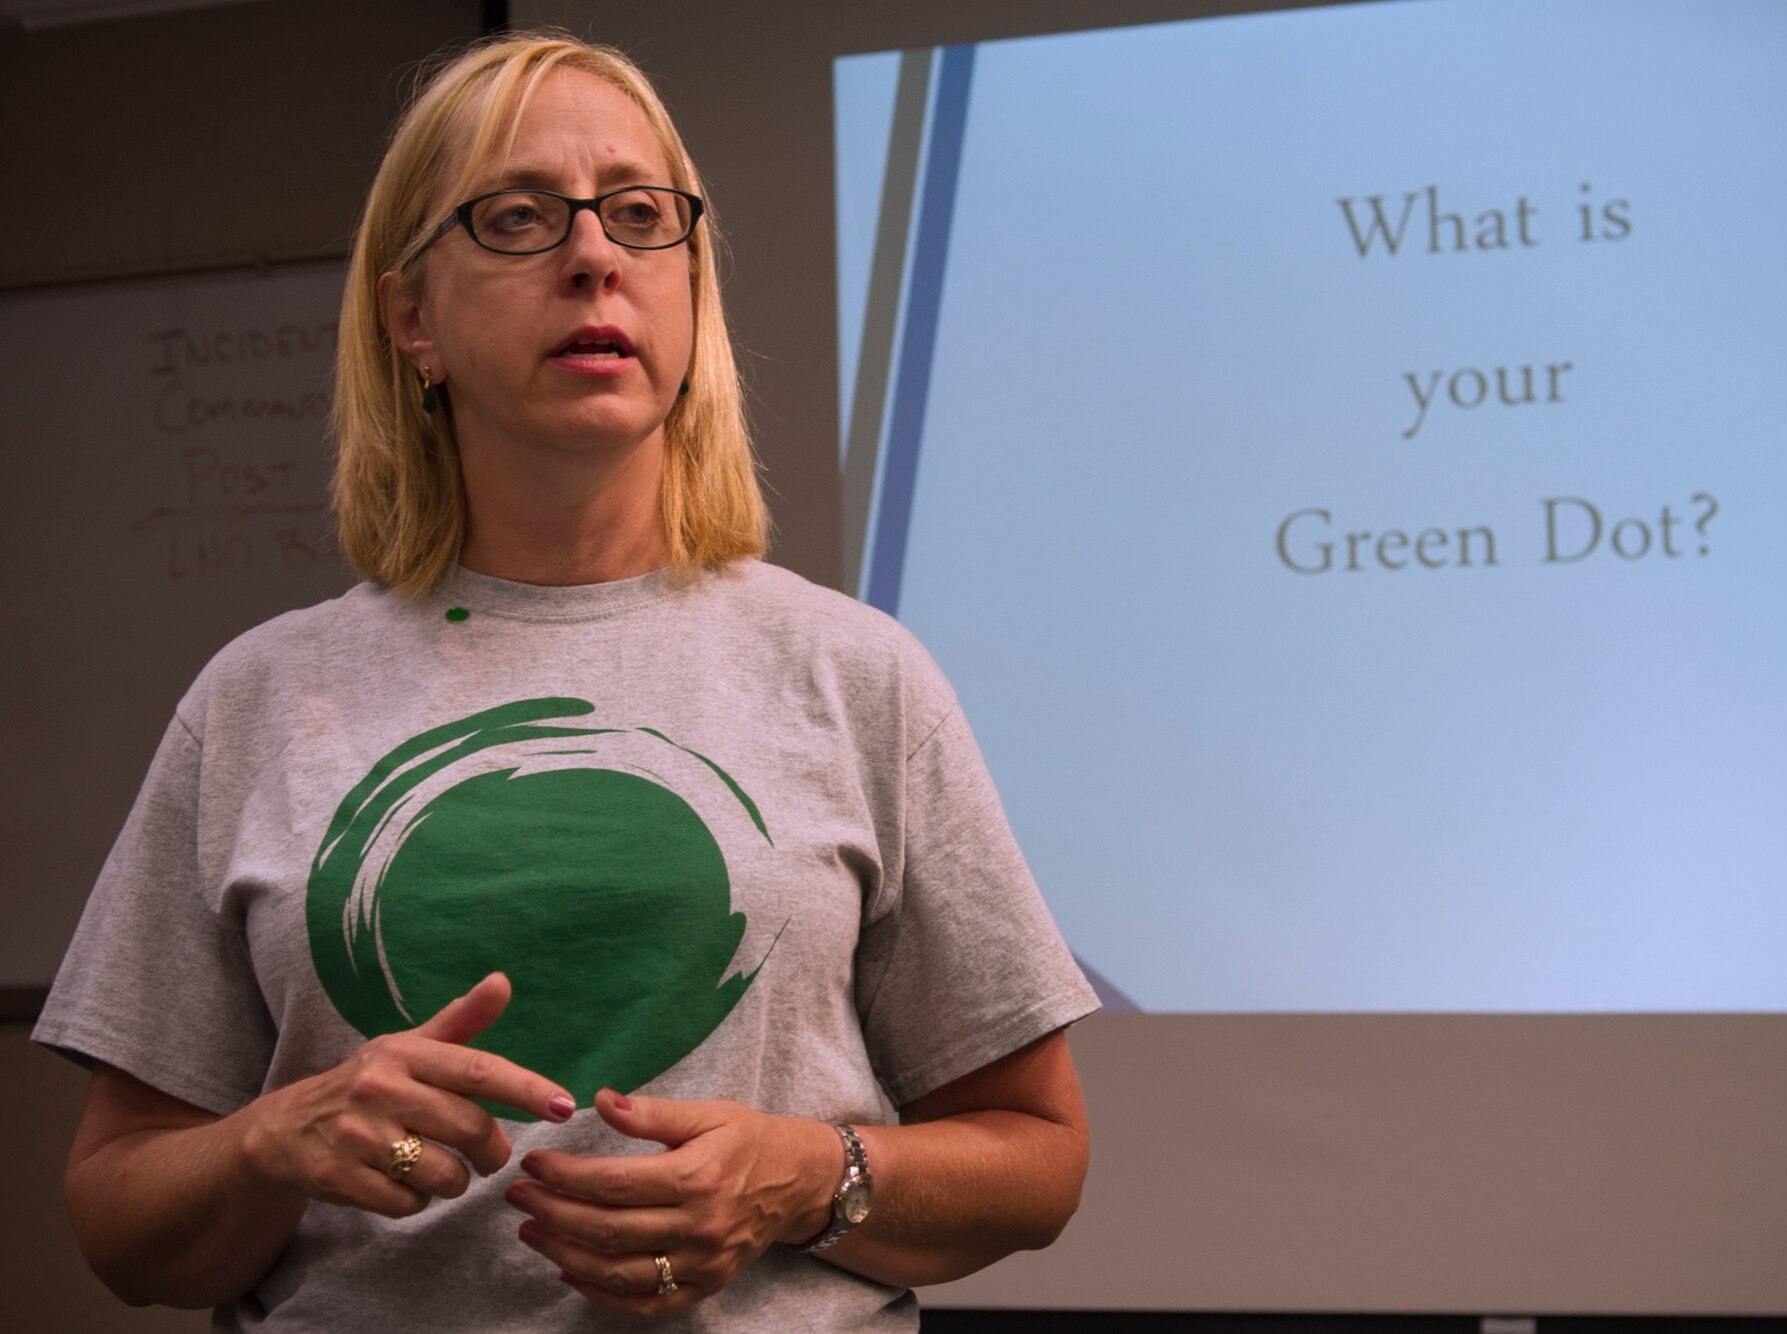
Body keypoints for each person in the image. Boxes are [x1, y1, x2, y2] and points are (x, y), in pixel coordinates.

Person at [33, 30, 1098, 1331]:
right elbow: (120, 1216)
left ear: (691, 289)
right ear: (412, 318)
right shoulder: (255, 695)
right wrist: (277, 1136)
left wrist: (806, 1176)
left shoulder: (855, 674)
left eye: (641, 214)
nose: (595, 254)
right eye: (520, 215)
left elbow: (1037, 1155)